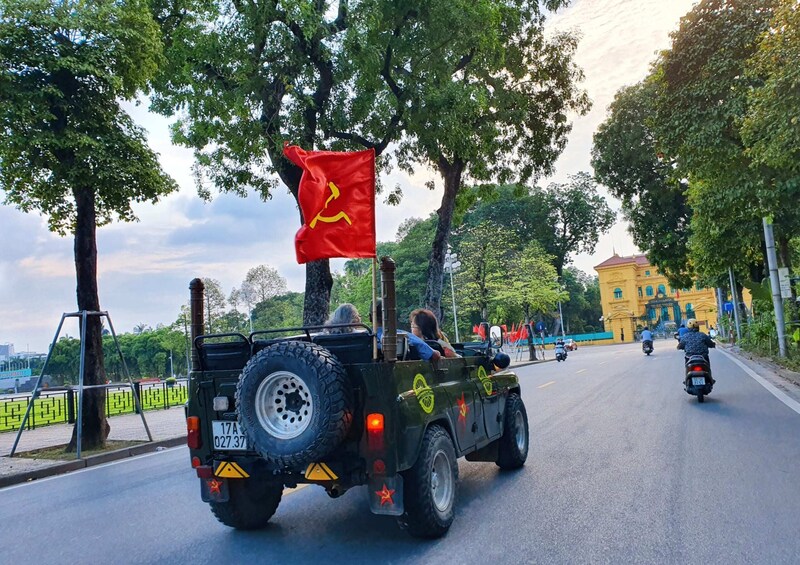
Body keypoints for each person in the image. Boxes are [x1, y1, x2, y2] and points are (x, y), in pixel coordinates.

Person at [372, 300, 440, 361]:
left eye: (413, 326)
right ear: (391, 316)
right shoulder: (403, 336)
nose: (411, 328)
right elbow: (434, 355)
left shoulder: (364, 337)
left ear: (370, 317)